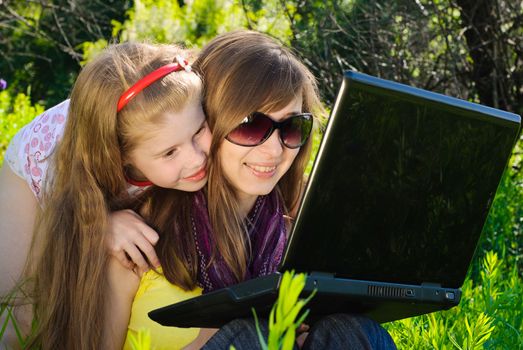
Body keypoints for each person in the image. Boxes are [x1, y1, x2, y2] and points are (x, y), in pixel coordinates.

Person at [0, 42, 212, 349]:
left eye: (198, 131)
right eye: (170, 152)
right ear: (123, 156)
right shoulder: (67, 160)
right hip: (38, 178)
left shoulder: (160, 126)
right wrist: (102, 222)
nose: (196, 159)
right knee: (18, 310)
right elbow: (69, 211)